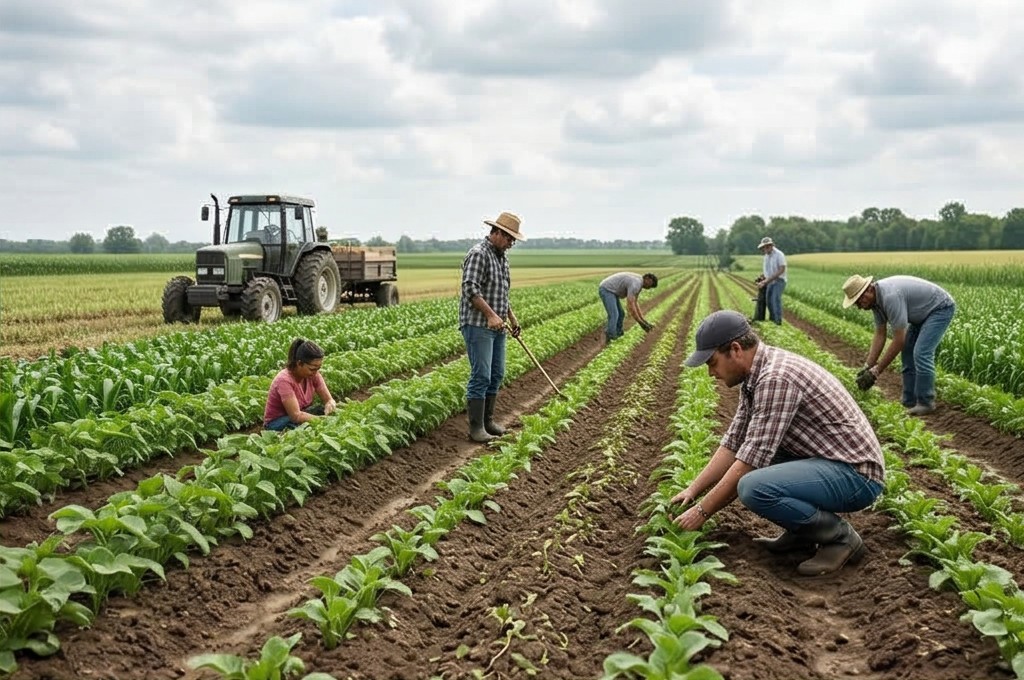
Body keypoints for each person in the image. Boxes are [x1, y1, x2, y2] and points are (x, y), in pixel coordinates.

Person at [671, 310, 885, 576]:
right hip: (830, 462)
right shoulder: (756, 376)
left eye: (712, 362)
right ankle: (802, 533)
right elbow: (735, 442)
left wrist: (701, 512)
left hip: (856, 475)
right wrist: (692, 490)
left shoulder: (775, 378)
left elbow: (749, 461)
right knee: (756, 463)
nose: (711, 373)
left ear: (735, 349)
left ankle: (840, 538)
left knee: (752, 485)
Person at [842, 274, 956, 416]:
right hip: (921, 315)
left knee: (921, 353)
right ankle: (909, 400)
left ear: (869, 290)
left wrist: (876, 372)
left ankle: (926, 402)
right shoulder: (876, 303)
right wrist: (868, 367)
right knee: (908, 352)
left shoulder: (890, 297)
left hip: (939, 308)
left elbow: (898, 340)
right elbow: (880, 335)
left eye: (859, 301)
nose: (859, 307)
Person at [460, 211, 525, 442]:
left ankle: (488, 421)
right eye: (509, 238)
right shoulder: (479, 254)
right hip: (478, 324)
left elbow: (502, 295)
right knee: (481, 375)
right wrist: (490, 315)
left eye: (513, 240)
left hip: (497, 326)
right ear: (496, 233)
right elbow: (470, 290)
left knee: (496, 374)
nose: (511, 243)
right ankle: (476, 428)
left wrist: (512, 318)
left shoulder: (501, 258)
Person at [264, 338, 337, 430]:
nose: (315, 372)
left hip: (300, 413)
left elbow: (329, 399)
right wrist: (322, 420)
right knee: (302, 427)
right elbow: (296, 416)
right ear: (299, 363)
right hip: (278, 422)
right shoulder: (284, 380)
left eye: (318, 369)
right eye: (312, 369)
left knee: (323, 410)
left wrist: (330, 404)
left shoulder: (313, 375)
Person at [597, 272, 658, 344]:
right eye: (651, 284)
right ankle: (610, 336)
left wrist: (644, 321)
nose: (649, 287)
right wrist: (641, 323)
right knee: (614, 314)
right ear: (647, 278)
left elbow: (635, 303)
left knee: (621, 314)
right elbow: (631, 305)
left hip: (612, 291)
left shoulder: (639, 283)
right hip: (606, 289)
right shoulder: (636, 284)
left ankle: (618, 334)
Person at [757, 237, 787, 324]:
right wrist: (762, 277)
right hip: (770, 281)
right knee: (768, 300)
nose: (765, 249)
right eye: (764, 247)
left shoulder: (779, 254)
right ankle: (772, 320)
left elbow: (782, 269)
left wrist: (765, 282)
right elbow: (767, 271)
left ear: (771, 246)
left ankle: (777, 321)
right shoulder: (766, 257)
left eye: (767, 247)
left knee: (775, 299)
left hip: (779, 281)